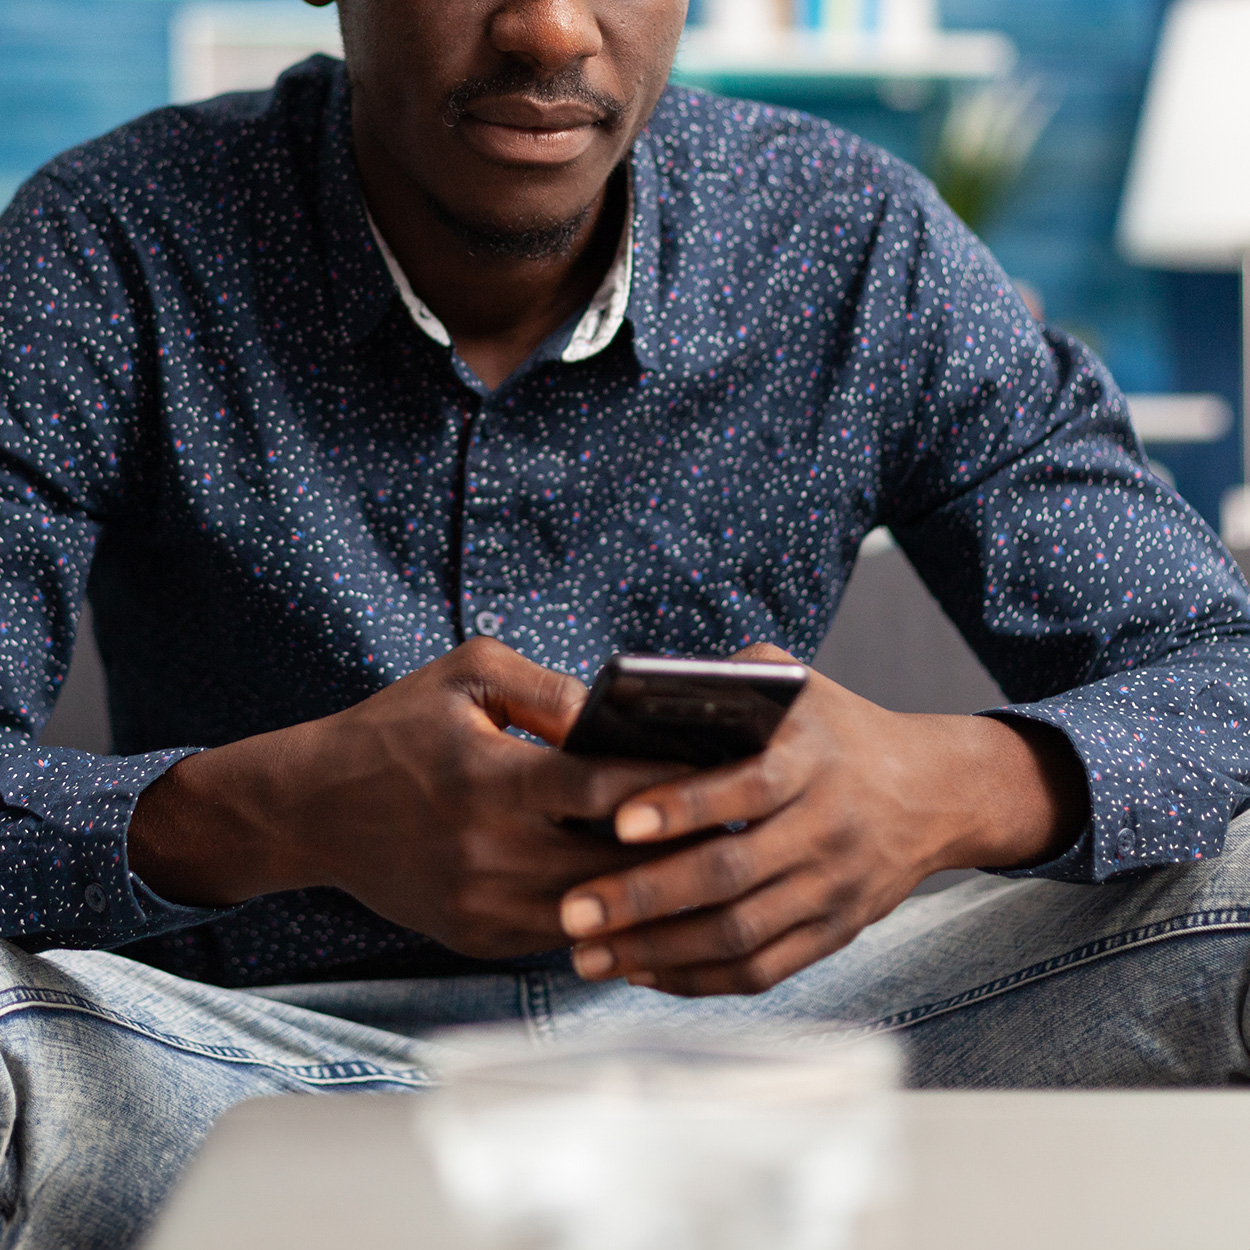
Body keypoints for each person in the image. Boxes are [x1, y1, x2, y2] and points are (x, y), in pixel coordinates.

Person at [1, 0, 1249, 1243]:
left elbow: (1216, 662)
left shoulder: (853, 238)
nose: (547, 30)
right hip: (223, 1061)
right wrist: (271, 812)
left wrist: (947, 785)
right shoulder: (109, 242)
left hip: (793, 1038)